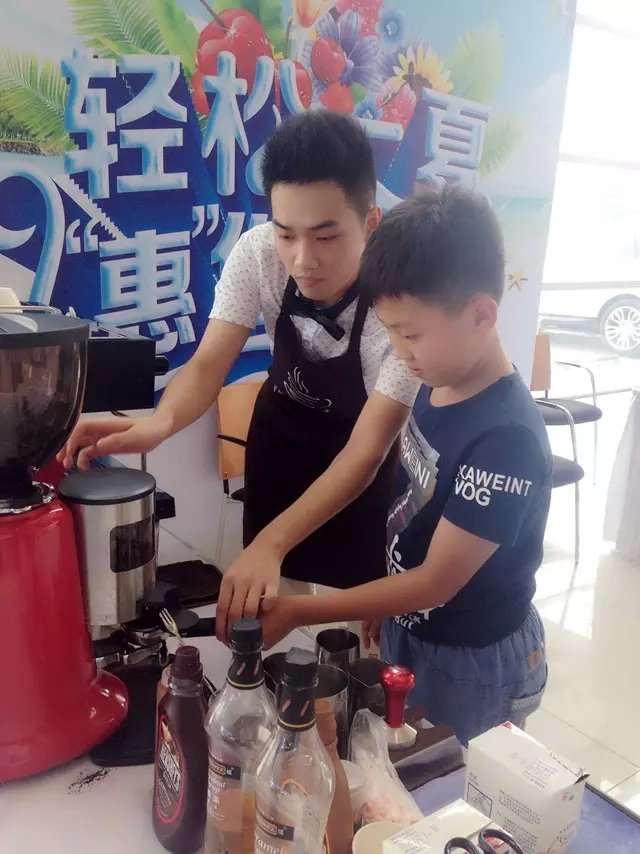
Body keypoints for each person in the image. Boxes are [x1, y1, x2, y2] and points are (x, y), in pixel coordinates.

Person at [57, 111, 419, 639]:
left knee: (355, 644)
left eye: (326, 237)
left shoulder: (401, 306)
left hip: (359, 472)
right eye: (286, 233)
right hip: (282, 451)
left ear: (370, 223)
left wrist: (273, 542)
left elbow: (366, 454)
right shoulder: (257, 253)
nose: (303, 260)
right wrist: (159, 424)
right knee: (274, 626)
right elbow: (209, 363)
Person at [259, 186, 553, 746]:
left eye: (410, 333)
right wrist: (386, 594)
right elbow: (409, 496)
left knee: (452, 785)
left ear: (481, 315)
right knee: (403, 770)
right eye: (390, 330)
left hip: (472, 660)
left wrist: (299, 612)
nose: (400, 350)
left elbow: (437, 581)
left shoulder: (505, 439)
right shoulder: (438, 377)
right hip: (413, 624)